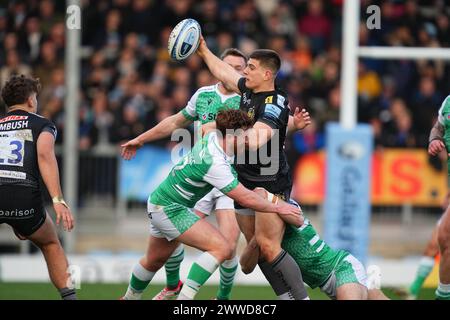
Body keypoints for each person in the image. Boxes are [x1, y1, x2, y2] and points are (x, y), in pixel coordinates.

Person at [120, 109, 303, 300]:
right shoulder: (215, 162)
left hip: (160, 202)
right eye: (246, 135)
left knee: (154, 260)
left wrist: (291, 126)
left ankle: (128, 298)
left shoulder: (213, 138)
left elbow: (213, 127)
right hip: (169, 209)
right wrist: (280, 207)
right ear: (235, 135)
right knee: (222, 248)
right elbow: (246, 198)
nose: (249, 140)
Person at [121, 48, 247, 300]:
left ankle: (222, 298)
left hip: (228, 179)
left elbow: (259, 133)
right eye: (228, 65)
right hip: (198, 177)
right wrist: (141, 138)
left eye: (239, 68)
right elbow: (175, 122)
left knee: (228, 246)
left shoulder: (248, 100)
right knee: (163, 249)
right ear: (217, 67)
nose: (233, 71)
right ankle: (169, 287)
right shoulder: (203, 95)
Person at [196, 37, 310, 299]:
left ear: (267, 74)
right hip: (245, 180)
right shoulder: (248, 91)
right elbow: (224, 72)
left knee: (269, 246)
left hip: (270, 182)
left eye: (250, 67)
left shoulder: (275, 101)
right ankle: (286, 296)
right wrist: (202, 50)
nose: (244, 71)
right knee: (256, 250)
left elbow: (258, 138)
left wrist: (220, 136)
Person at [0, 75, 76, 300]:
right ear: (31, 100)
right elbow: (44, 154)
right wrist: (58, 200)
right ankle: (70, 297)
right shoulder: (41, 123)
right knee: (51, 243)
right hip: (23, 194)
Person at [239, 192, 389, 300]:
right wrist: (256, 239)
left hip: (341, 267)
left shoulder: (284, 204)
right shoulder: (265, 236)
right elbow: (246, 267)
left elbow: (262, 194)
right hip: (324, 283)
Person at [427, 94, 450, 300]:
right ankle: (443, 296)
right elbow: (438, 128)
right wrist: (434, 139)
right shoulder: (448, 102)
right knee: (444, 237)